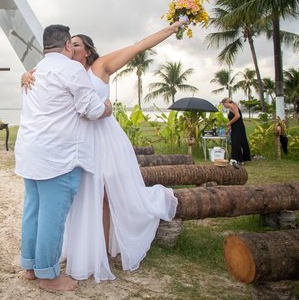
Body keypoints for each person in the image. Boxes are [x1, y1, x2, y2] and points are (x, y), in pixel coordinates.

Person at [22, 20, 185, 282]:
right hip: (77, 142)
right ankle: (76, 251)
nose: (72, 46)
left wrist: (170, 29)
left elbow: (138, 46)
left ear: (87, 51)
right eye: (70, 42)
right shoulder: (58, 69)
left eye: (78, 43)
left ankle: (103, 252)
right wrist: (24, 76)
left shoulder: (100, 67)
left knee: (105, 195)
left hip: (104, 140)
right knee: (75, 201)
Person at [15, 24, 113, 292]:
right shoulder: (71, 69)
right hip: (58, 155)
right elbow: (89, 108)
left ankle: (31, 266)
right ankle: (49, 276)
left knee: (32, 211)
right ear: (68, 45)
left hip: (30, 152)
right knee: (52, 216)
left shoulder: (35, 70)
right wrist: (106, 108)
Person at [221, 98, 251, 165]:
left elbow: (238, 116)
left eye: (224, 104)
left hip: (239, 128)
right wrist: (227, 130)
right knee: (235, 143)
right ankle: (237, 159)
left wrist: (229, 122)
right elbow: (233, 123)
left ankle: (238, 160)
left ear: (226, 102)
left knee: (236, 143)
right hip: (234, 128)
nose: (224, 106)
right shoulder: (230, 108)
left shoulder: (232, 106)